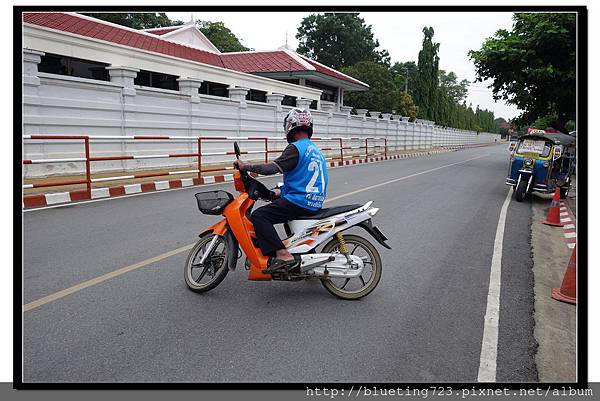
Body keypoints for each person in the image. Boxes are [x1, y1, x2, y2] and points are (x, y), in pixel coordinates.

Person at [233, 108, 328, 273]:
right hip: (313, 201)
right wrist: (278, 193)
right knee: (283, 213)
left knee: (260, 216)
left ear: (290, 126)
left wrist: (246, 166)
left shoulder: (296, 148)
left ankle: (283, 255)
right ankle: (304, 254)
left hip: (299, 201)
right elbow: (304, 178)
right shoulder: (316, 151)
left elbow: (272, 168)